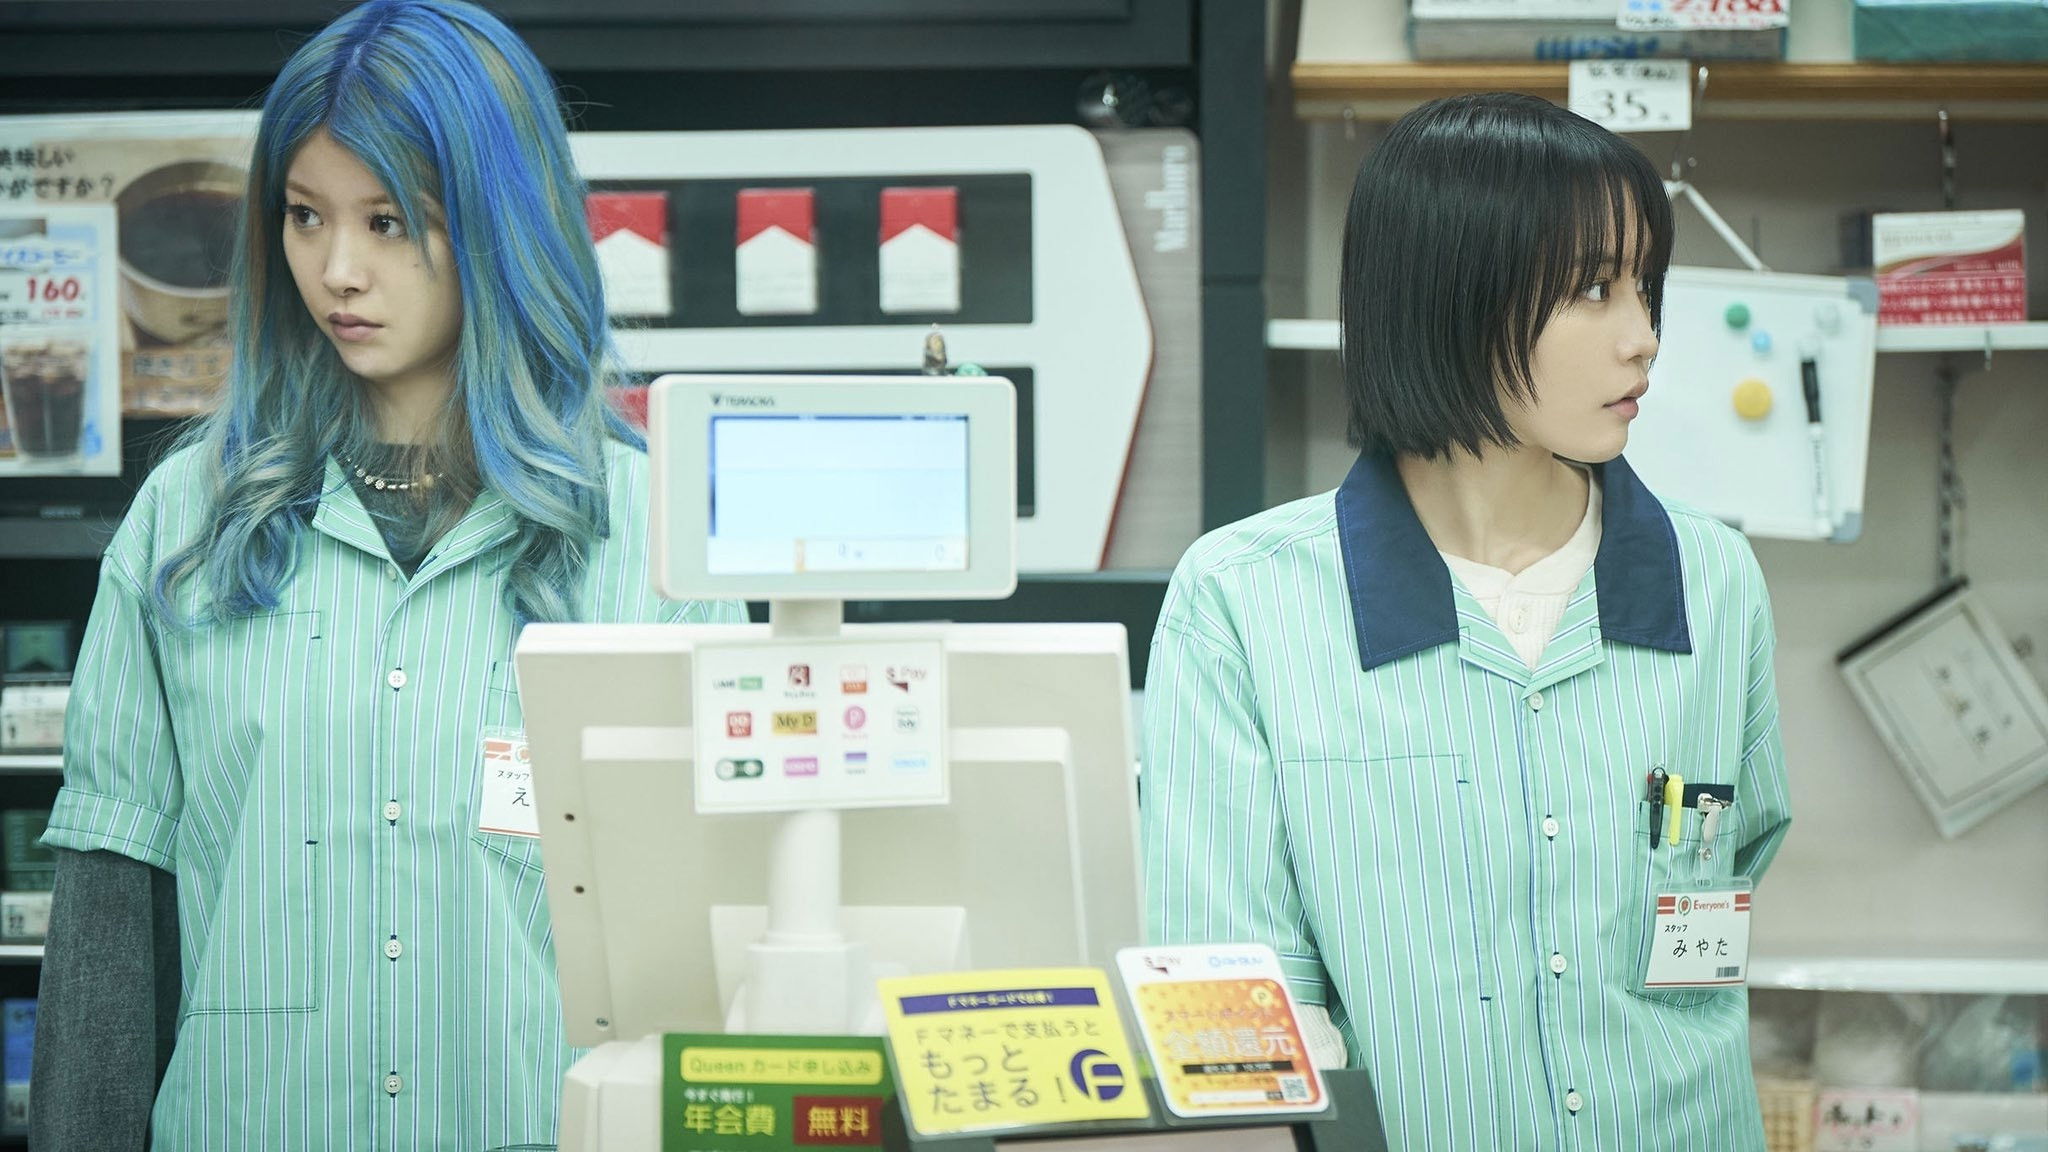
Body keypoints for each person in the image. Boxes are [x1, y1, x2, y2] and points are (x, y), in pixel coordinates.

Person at [32, 3, 744, 1148]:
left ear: (502, 224)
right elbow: (110, 934)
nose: (338, 271)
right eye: (305, 216)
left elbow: (710, 958)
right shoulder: (190, 523)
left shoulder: (650, 537)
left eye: (390, 221)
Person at [1142, 92, 1792, 1150]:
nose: (1642, 339)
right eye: (1594, 289)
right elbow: (1229, 997)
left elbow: (1733, 870)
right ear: (1450, 295)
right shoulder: (1244, 600)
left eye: (1646, 289)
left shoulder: (1708, 577)